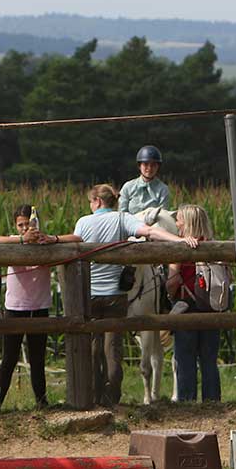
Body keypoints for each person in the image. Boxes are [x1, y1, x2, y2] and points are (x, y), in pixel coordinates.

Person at [74, 184, 197, 406]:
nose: (90, 206)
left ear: (98, 202)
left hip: (89, 294)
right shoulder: (122, 218)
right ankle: (113, 399)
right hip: (115, 294)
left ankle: (93, 397)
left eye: (91, 202)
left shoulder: (83, 222)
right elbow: (150, 231)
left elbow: (73, 243)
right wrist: (178, 240)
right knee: (113, 350)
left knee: (93, 348)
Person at [0, 205, 80, 411]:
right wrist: (22, 240)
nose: (24, 228)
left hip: (40, 307)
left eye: (28, 224)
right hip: (15, 308)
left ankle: (41, 401)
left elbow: (77, 239)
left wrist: (52, 239)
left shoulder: (46, 243)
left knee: (38, 358)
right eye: (20, 225)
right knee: (9, 358)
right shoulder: (13, 242)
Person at [166, 205, 221, 402]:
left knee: (185, 359)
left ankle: (187, 402)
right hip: (212, 308)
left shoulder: (181, 248)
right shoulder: (216, 246)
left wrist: (169, 292)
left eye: (179, 219)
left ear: (187, 223)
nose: (177, 223)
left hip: (186, 306)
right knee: (209, 360)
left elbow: (172, 282)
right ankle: (212, 401)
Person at [119, 145, 170, 214]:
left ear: (158, 167)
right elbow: (122, 213)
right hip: (129, 223)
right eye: (145, 164)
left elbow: (163, 214)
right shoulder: (128, 187)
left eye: (153, 165)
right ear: (139, 166)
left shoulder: (163, 189)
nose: (149, 168)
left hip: (154, 224)